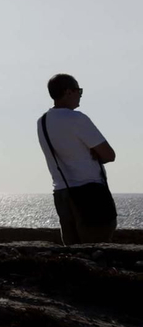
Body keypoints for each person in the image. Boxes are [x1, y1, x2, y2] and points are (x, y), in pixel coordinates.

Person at [38, 74, 117, 245]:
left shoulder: (42, 122)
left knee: (72, 251)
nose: (80, 95)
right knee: (97, 248)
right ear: (68, 92)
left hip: (62, 193)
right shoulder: (77, 119)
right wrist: (93, 152)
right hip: (90, 192)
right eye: (78, 90)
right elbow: (109, 155)